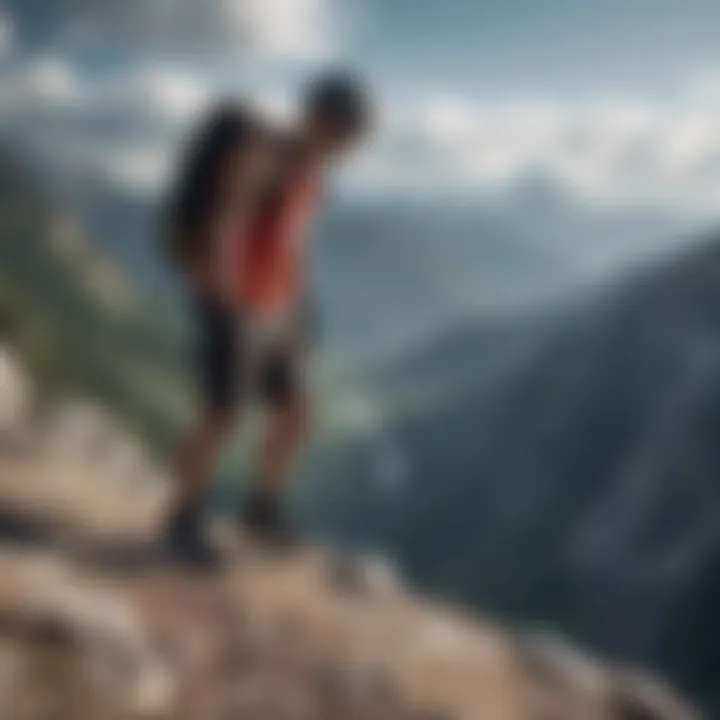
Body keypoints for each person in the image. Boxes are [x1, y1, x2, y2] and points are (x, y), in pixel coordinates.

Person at [162, 72, 372, 564]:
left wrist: (300, 303)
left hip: (277, 309)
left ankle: (261, 509)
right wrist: (231, 303)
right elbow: (225, 224)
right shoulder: (264, 153)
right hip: (231, 302)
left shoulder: (312, 174)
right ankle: (183, 515)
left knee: (296, 409)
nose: (345, 147)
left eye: (352, 139)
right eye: (344, 133)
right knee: (221, 412)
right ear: (318, 117)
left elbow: (290, 241)